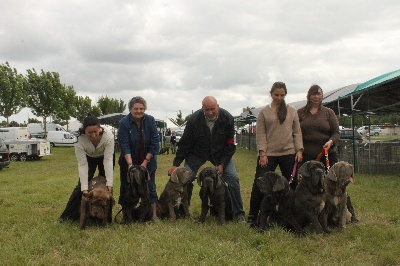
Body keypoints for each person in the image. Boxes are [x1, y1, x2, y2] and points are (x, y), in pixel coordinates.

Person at [167, 96, 245, 222]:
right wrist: (176, 164)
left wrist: (223, 164)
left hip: (220, 154)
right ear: (202, 108)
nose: (210, 112)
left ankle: (239, 214)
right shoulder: (193, 120)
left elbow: (230, 145)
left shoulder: (228, 118)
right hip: (197, 153)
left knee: (233, 178)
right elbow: (185, 143)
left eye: (212, 109)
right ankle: (182, 212)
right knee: (186, 178)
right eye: (206, 109)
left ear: (217, 107)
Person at [297, 84, 358, 223]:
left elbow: (336, 133)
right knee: (306, 185)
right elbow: (295, 133)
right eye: (314, 94)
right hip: (307, 157)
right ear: (309, 96)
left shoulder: (328, 113)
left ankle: (351, 214)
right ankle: (310, 216)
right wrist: (298, 149)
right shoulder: (300, 113)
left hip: (327, 155)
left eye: (319, 94)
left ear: (322, 96)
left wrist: (331, 142)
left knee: (337, 185)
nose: (317, 97)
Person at [247, 82, 304, 227]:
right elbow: (261, 133)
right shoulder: (264, 112)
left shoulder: (292, 111)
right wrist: (262, 153)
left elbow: (297, 132)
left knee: (293, 185)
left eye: (282, 95)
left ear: (285, 95)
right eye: (276, 95)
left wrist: (299, 150)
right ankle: (253, 216)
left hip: (289, 153)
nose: (279, 97)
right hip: (269, 154)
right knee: (260, 184)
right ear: (271, 94)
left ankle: (295, 216)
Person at [57, 115, 115, 223]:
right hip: (89, 158)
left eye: (95, 132)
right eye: (90, 133)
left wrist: (110, 184)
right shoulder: (79, 139)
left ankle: (106, 219)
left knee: (106, 187)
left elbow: (108, 161)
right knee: (81, 186)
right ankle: (66, 216)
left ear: (100, 128)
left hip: (105, 157)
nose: (93, 135)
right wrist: (84, 188)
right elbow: (82, 164)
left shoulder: (109, 136)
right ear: (84, 131)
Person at [118, 96, 160, 222]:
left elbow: (155, 142)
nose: (139, 111)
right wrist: (130, 164)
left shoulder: (150, 120)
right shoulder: (124, 123)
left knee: (150, 186)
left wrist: (146, 161)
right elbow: (124, 144)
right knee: (126, 187)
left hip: (148, 159)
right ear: (130, 109)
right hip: (128, 160)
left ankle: (153, 215)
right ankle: (126, 216)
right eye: (136, 108)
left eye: (141, 108)